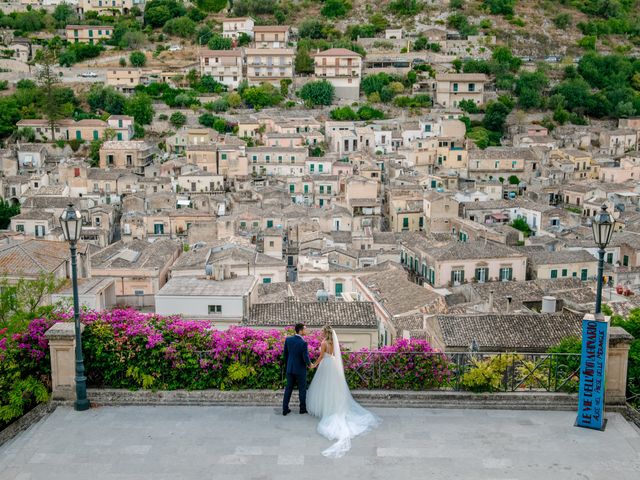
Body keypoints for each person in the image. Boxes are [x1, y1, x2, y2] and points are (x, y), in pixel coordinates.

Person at [307, 325, 380, 458]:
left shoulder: (323, 343)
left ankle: (326, 408)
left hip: (325, 366)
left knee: (324, 388)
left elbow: (321, 357)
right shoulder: (333, 342)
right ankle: (333, 406)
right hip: (333, 366)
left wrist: (313, 365)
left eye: (322, 331)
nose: (320, 333)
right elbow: (334, 355)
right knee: (333, 388)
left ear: (325, 333)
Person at [282, 323, 311, 416]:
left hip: (290, 369)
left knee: (288, 389)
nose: (306, 331)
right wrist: (310, 364)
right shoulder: (303, 343)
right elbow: (305, 357)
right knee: (302, 389)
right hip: (300, 370)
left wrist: (288, 366)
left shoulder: (288, 340)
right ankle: (302, 409)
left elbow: (285, 355)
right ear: (300, 331)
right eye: (305, 329)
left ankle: (285, 409)